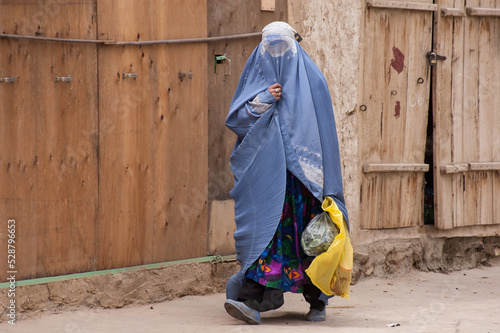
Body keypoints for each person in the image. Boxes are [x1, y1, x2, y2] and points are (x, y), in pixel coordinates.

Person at [224, 21, 349, 325]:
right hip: (267, 179)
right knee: (264, 238)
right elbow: (236, 121)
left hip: (306, 182)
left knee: (312, 239)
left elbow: (325, 138)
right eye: (270, 48)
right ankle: (252, 300)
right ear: (261, 49)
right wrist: (264, 100)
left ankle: (318, 302)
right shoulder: (255, 78)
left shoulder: (315, 82)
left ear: (295, 47)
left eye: (284, 48)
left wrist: (324, 183)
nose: (276, 56)